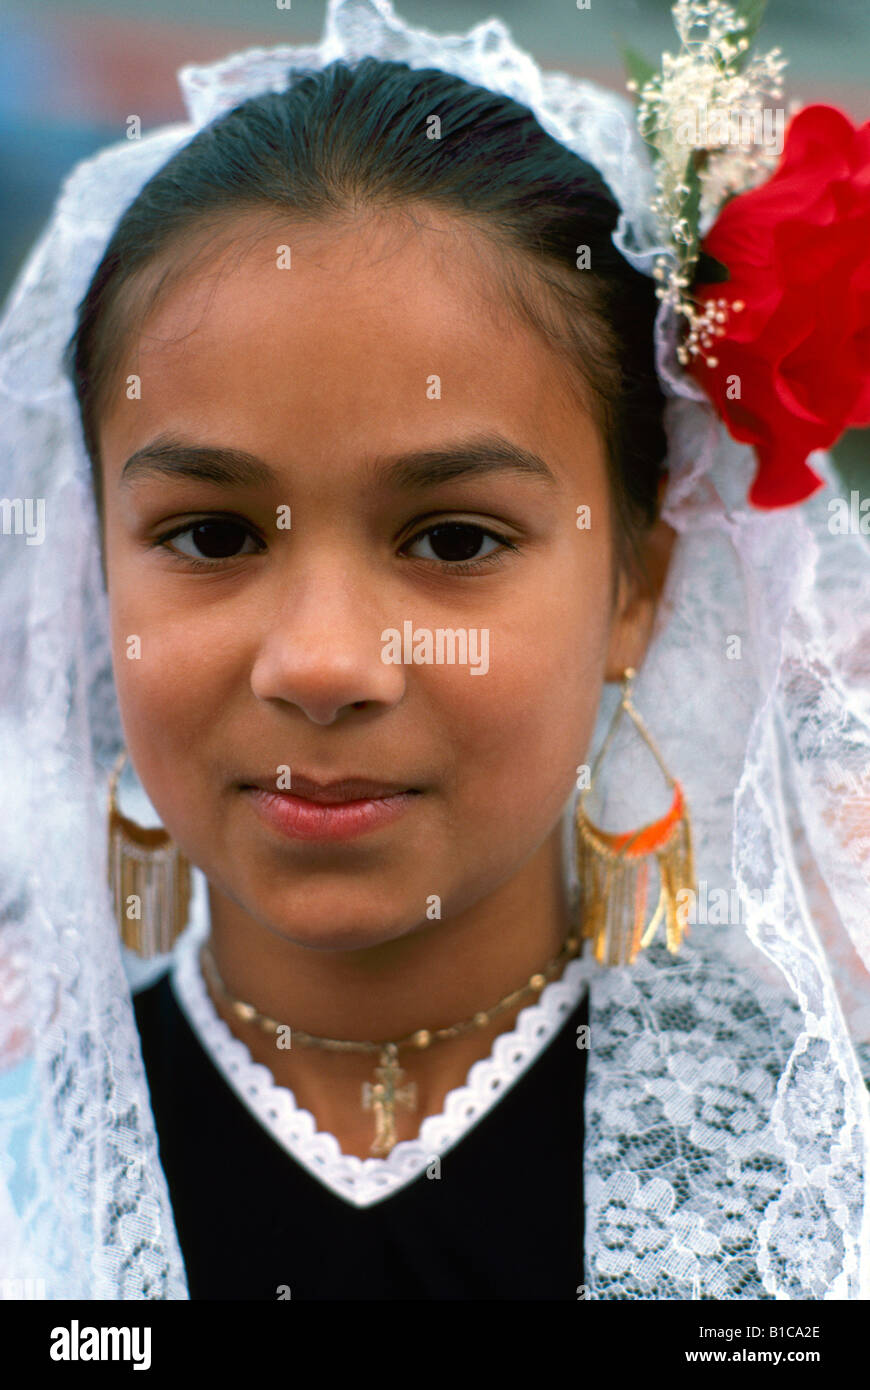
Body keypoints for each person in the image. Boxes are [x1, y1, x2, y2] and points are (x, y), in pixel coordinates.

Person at [0, 0, 868, 1301]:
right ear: (95, 562)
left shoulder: (810, 1185)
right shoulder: (32, 1177)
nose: (322, 660)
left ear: (638, 578)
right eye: (212, 533)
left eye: (453, 540)